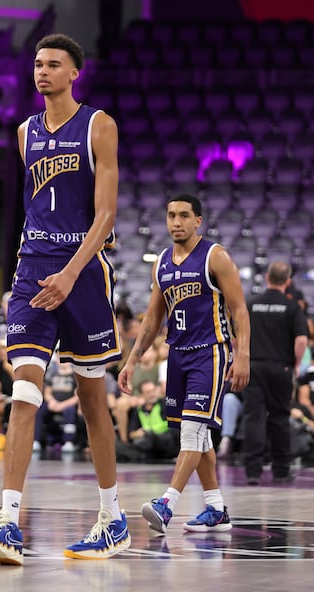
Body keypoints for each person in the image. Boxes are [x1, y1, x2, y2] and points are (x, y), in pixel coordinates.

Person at [0, 33, 130, 564]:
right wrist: (38, 274)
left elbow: (105, 216)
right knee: (25, 390)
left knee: (91, 401)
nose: (42, 72)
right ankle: (8, 521)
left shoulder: (99, 125)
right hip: (33, 269)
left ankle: (112, 518)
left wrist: (69, 272)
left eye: (53, 64)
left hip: (81, 272)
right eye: (37, 64)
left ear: (74, 73)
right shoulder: (24, 133)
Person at [118, 194, 250, 534]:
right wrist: (131, 360)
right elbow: (151, 321)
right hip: (177, 354)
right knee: (194, 435)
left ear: (198, 221)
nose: (176, 222)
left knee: (193, 429)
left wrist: (243, 355)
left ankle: (167, 503)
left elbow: (239, 310)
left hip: (211, 351)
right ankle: (216, 508)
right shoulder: (161, 262)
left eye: (183, 216)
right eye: (171, 215)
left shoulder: (215, 256)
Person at [242, 260, 309, 485]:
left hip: (253, 366)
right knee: (279, 417)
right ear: (287, 281)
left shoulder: (251, 303)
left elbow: (236, 335)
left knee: (254, 416)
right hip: (280, 367)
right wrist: (296, 364)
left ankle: (252, 471)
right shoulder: (291, 307)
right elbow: (301, 340)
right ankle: (281, 470)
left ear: (268, 278)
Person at [115, 379, 180, 462]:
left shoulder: (164, 404)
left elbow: (174, 430)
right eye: (148, 392)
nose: (152, 394)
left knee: (149, 437)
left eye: (153, 391)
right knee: (119, 446)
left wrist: (148, 433)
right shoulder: (138, 410)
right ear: (142, 395)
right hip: (148, 444)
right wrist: (137, 433)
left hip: (165, 442)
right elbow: (131, 434)